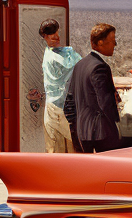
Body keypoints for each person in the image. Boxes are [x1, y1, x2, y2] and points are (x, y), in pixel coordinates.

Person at [63, 23, 122, 153]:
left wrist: (76, 127)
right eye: (112, 41)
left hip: (82, 133)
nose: (115, 44)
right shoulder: (100, 68)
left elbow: (69, 102)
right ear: (100, 43)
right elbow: (105, 102)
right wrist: (117, 123)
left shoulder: (79, 65)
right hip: (102, 134)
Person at [39, 18, 81, 153]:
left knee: (71, 148)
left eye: (56, 32)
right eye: (52, 34)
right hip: (55, 108)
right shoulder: (56, 56)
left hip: (68, 107)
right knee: (56, 148)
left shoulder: (68, 53)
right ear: (45, 36)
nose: (56, 37)